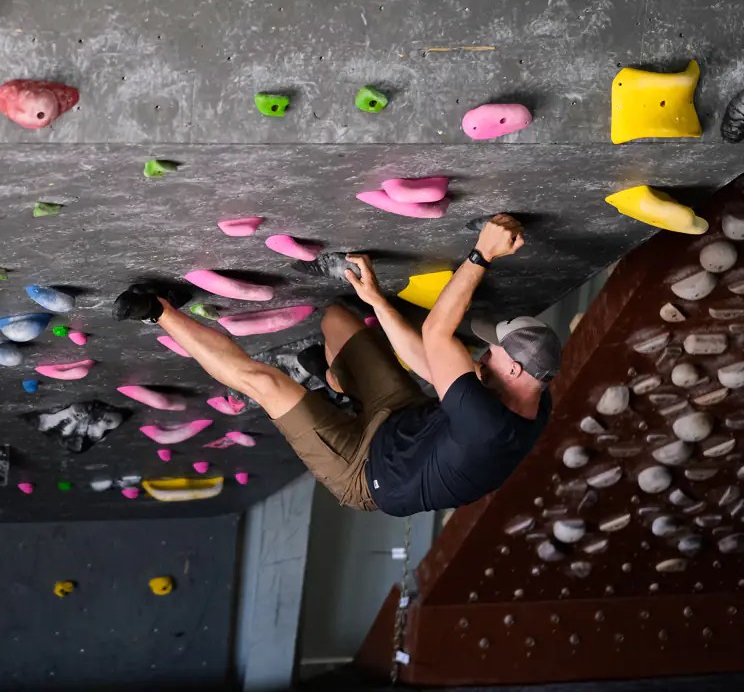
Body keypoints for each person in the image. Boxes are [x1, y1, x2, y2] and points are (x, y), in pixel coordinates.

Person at [112, 214, 561, 516]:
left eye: (495, 351)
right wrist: (376, 300)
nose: (485, 352)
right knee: (337, 318)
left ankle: (157, 310)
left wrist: (482, 253)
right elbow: (428, 362)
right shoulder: (535, 401)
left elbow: (436, 335)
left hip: (364, 472)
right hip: (404, 419)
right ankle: (335, 384)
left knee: (265, 382)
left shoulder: (486, 424)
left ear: (516, 370)